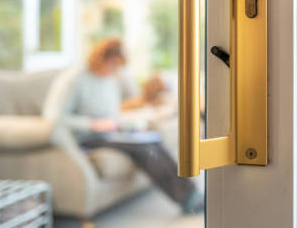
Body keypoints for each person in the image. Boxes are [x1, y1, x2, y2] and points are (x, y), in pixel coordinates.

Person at [60, 39, 203, 214]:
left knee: (154, 141)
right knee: (146, 150)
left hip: (112, 133)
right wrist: (92, 124)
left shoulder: (109, 80)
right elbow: (54, 116)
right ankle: (186, 199)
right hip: (87, 137)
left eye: (118, 67)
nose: (115, 71)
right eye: (113, 65)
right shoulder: (76, 78)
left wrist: (128, 125)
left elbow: (113, 114)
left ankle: (192, 192)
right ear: (101, 58)